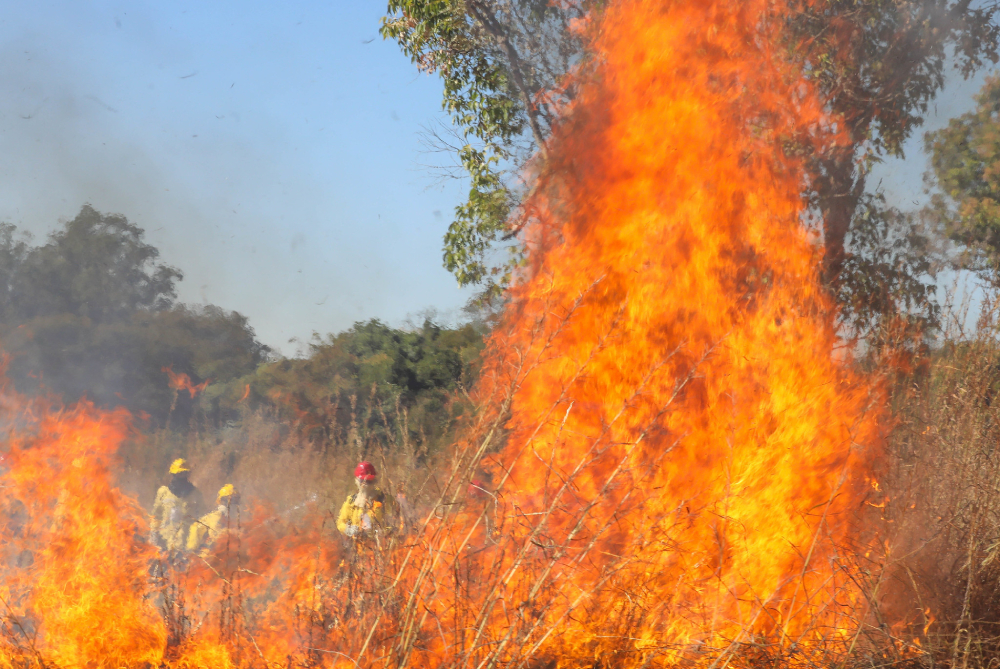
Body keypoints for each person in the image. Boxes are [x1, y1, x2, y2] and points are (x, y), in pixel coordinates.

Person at [150, 458, 205, 552]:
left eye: (184, 474)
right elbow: (156, 516)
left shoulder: (196, 494)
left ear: (188, 474)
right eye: (179, 474)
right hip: (165, 543)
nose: (181, 477)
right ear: (173, 474)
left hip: (187, 546)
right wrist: (153, 537)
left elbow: (202, 519)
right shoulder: (163, 492)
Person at [337, 461, 396, 539]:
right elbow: (340, 522)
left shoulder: (385, 500)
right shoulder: (351, 501)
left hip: (380, 547)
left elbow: (396, 523)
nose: (365, 484)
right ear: (356, 481)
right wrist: (348, 529)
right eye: (362, 481)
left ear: (374, 481)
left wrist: (380, 532)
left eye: (368, 481)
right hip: (357, 548)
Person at [187, 484, 239, 556]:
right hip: (204, 550)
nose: (237, 499)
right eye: (234, 497)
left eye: (237, 497)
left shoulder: (229, 513)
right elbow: (214, 535)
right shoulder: (218, 514)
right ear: (226, 498)